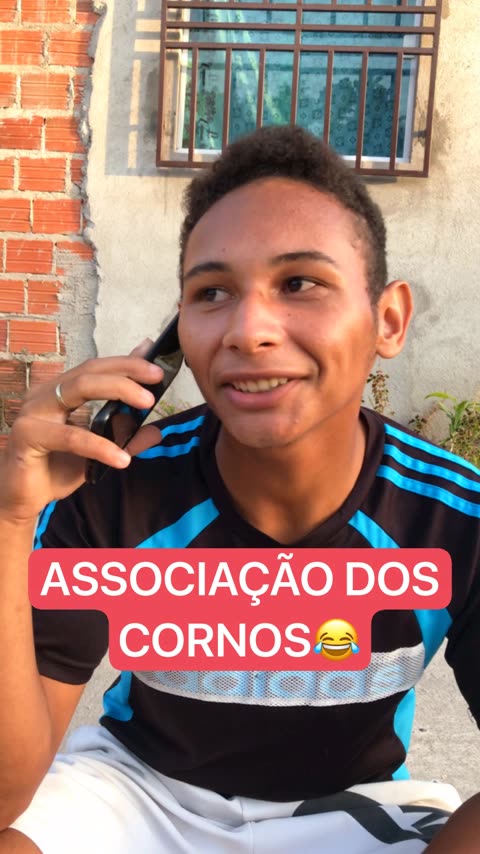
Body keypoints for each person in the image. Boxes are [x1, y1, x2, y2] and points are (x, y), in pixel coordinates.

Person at [0, 125, 479, 854]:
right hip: (138, 792)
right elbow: (6, 794)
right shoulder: (116, 487)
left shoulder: (454, 519)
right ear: (179, 334)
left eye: (300, 283)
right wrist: (11, 519)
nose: (248, 330)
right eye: (213, 292)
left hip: (351, 811)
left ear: (388, 320)